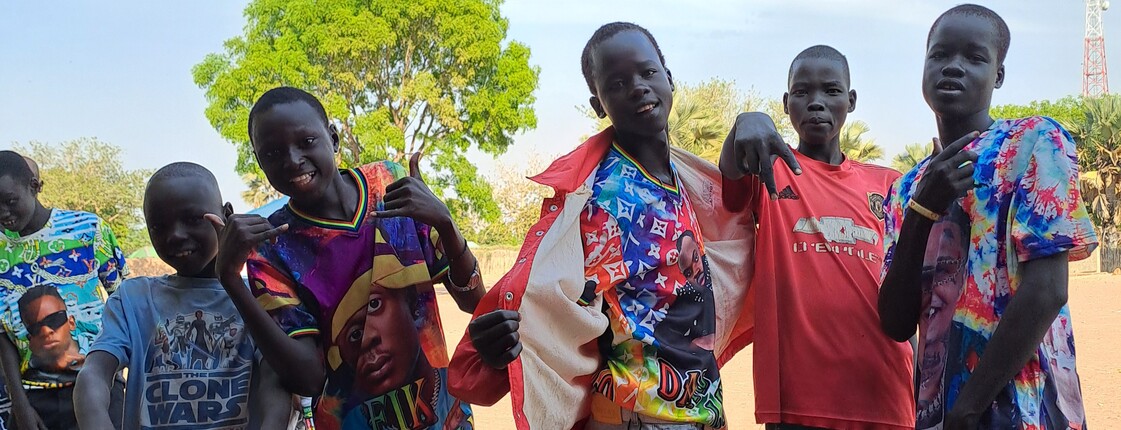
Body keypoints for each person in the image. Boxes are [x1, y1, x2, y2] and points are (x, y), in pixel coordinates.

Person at [448, 22, 756, 429]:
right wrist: (503, 335)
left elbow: (735, 210)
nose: (638, 87)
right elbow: (549, 295)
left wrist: (754, 121)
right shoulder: (597, 195)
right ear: (599, 105)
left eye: (647, 73)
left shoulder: (686, 177)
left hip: (701, 405)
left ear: (669, 78)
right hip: (636, 412)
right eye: (617, 83)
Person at [209, 86, 484, 430]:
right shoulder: (272, 247)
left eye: (306, 141)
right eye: (273, 153)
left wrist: (445, 223)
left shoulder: (390, 184)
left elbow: (473, 300)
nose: (292, 160)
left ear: (334, 138)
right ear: (260, 163)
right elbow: (309, 379)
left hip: (444, 417)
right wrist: (231, 280)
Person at [877, 4, 1099, 429]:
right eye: (939, 55)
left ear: (998, 75)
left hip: (1028, 408)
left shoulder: (1034, 142)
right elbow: (895, 321)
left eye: (974, 57)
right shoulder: (906, 188)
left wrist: (968, 408)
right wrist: (922, 210)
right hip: (938, 415)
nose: (953, 67)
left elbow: (1048, 290)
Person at [717, 45, 915, 429]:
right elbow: (731, 173)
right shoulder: (770, 170)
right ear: (787, 103)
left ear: (851, 100)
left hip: (886, 391)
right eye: (803, 93)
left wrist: (923, 385)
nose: (817, 103)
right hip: (797, 401)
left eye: (831, 91)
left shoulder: (890, 186)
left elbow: (904, 293)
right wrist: (747, 120)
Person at [74, 162, 295, 430]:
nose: (176, 235)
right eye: (159, 226)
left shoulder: (260, 296)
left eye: (192, 220)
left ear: (226, 214)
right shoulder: (133, 299)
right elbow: (94, 374)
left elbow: (275, 384)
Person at [0, 150, 128, 430]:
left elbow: (125, 301)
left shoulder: (87, 229)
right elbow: (3, 338)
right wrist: (19, 406)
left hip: (99, 386)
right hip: (33, 399)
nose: (3, 214)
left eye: (10, 201)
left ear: (33, 186)